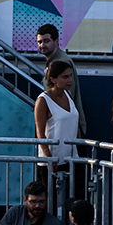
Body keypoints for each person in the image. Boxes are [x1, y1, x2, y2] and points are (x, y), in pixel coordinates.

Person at [33, 58, 81, 206]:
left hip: (71, 159)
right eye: (65, 77)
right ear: (53, 79)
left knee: (71, 202)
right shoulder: (43, 100)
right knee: (51, 204)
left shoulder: (68, 95)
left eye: (71, 76)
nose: (70, 80)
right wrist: (49, 158)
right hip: (51, 163)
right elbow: (40, 134)